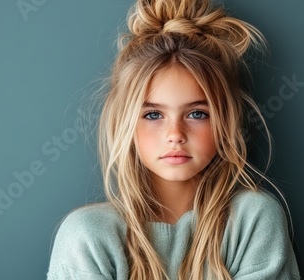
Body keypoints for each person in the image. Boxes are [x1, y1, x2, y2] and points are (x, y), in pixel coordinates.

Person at [46, 0, 301, 279]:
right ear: (125, 124)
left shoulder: (254, 219)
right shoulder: (88, 235)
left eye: (196, 113)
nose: (175, 135)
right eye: (154, 115)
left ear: (225, 122)